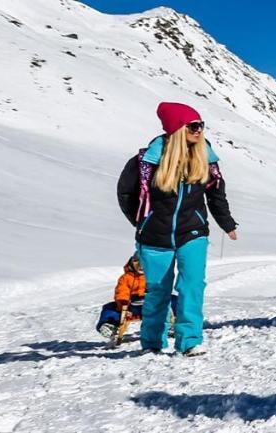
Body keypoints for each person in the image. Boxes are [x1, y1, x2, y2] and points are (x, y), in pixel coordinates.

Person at [117, 102, 238, 357]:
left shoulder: (206, 159)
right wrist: (142, 221)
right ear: (176, 129)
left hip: (192, 234)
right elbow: (126, 193)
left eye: (201, 126)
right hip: (154, 237)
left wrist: (226, 223)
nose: (199, 130)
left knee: (192, 286)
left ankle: (190, 341)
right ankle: (152, 342)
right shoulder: (146, 161)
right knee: (158, 290)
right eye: (193, 126)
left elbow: (216, 195)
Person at [96, 254, 146, 340]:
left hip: (151, 306)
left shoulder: (152, 277)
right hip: (131, 307)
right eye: (136, 262)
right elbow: (122, 291)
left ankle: (171, 323)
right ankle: (110, 325)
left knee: (172, 300)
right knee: (109, 307)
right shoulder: (126, 278)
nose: (140, 266)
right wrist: (123, 304)